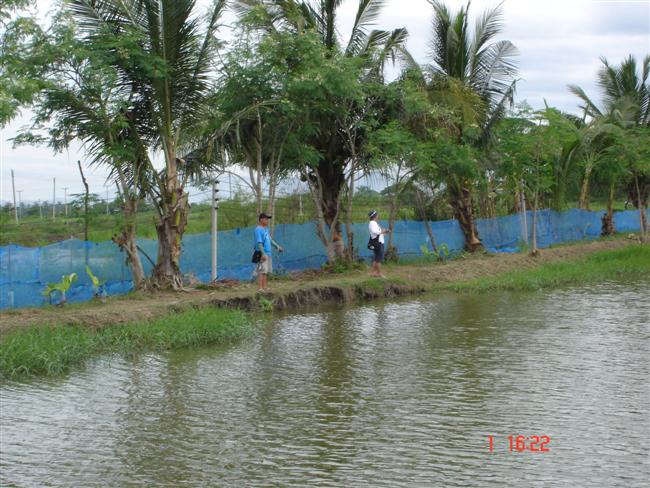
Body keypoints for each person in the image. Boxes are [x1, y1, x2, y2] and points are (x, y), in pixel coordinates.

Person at [254, 212, 283, 292]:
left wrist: (277, 246)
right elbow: (259, 242)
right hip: (262, 254)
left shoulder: (266, 229)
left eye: (268, 219)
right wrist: (263, 253)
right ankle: (260, 288)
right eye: (266, 219)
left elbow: (270, 240)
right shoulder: (258, 230)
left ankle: (264, 287)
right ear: (261, 220)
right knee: (262, 271)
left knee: (266, 271)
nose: (267, 221)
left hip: (268, 253)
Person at [368, 210, 389, 278]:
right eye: (377, 215)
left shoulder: (374, 223)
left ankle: (373, 273)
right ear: (375, 216)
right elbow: (375, 232)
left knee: (376, 259)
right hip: (378, 244)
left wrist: (385, 232)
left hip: (379, 242)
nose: (378, 216)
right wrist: (383, 231)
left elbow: (379, 233)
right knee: (379, 260)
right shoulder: (372, 223)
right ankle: (379, 274)